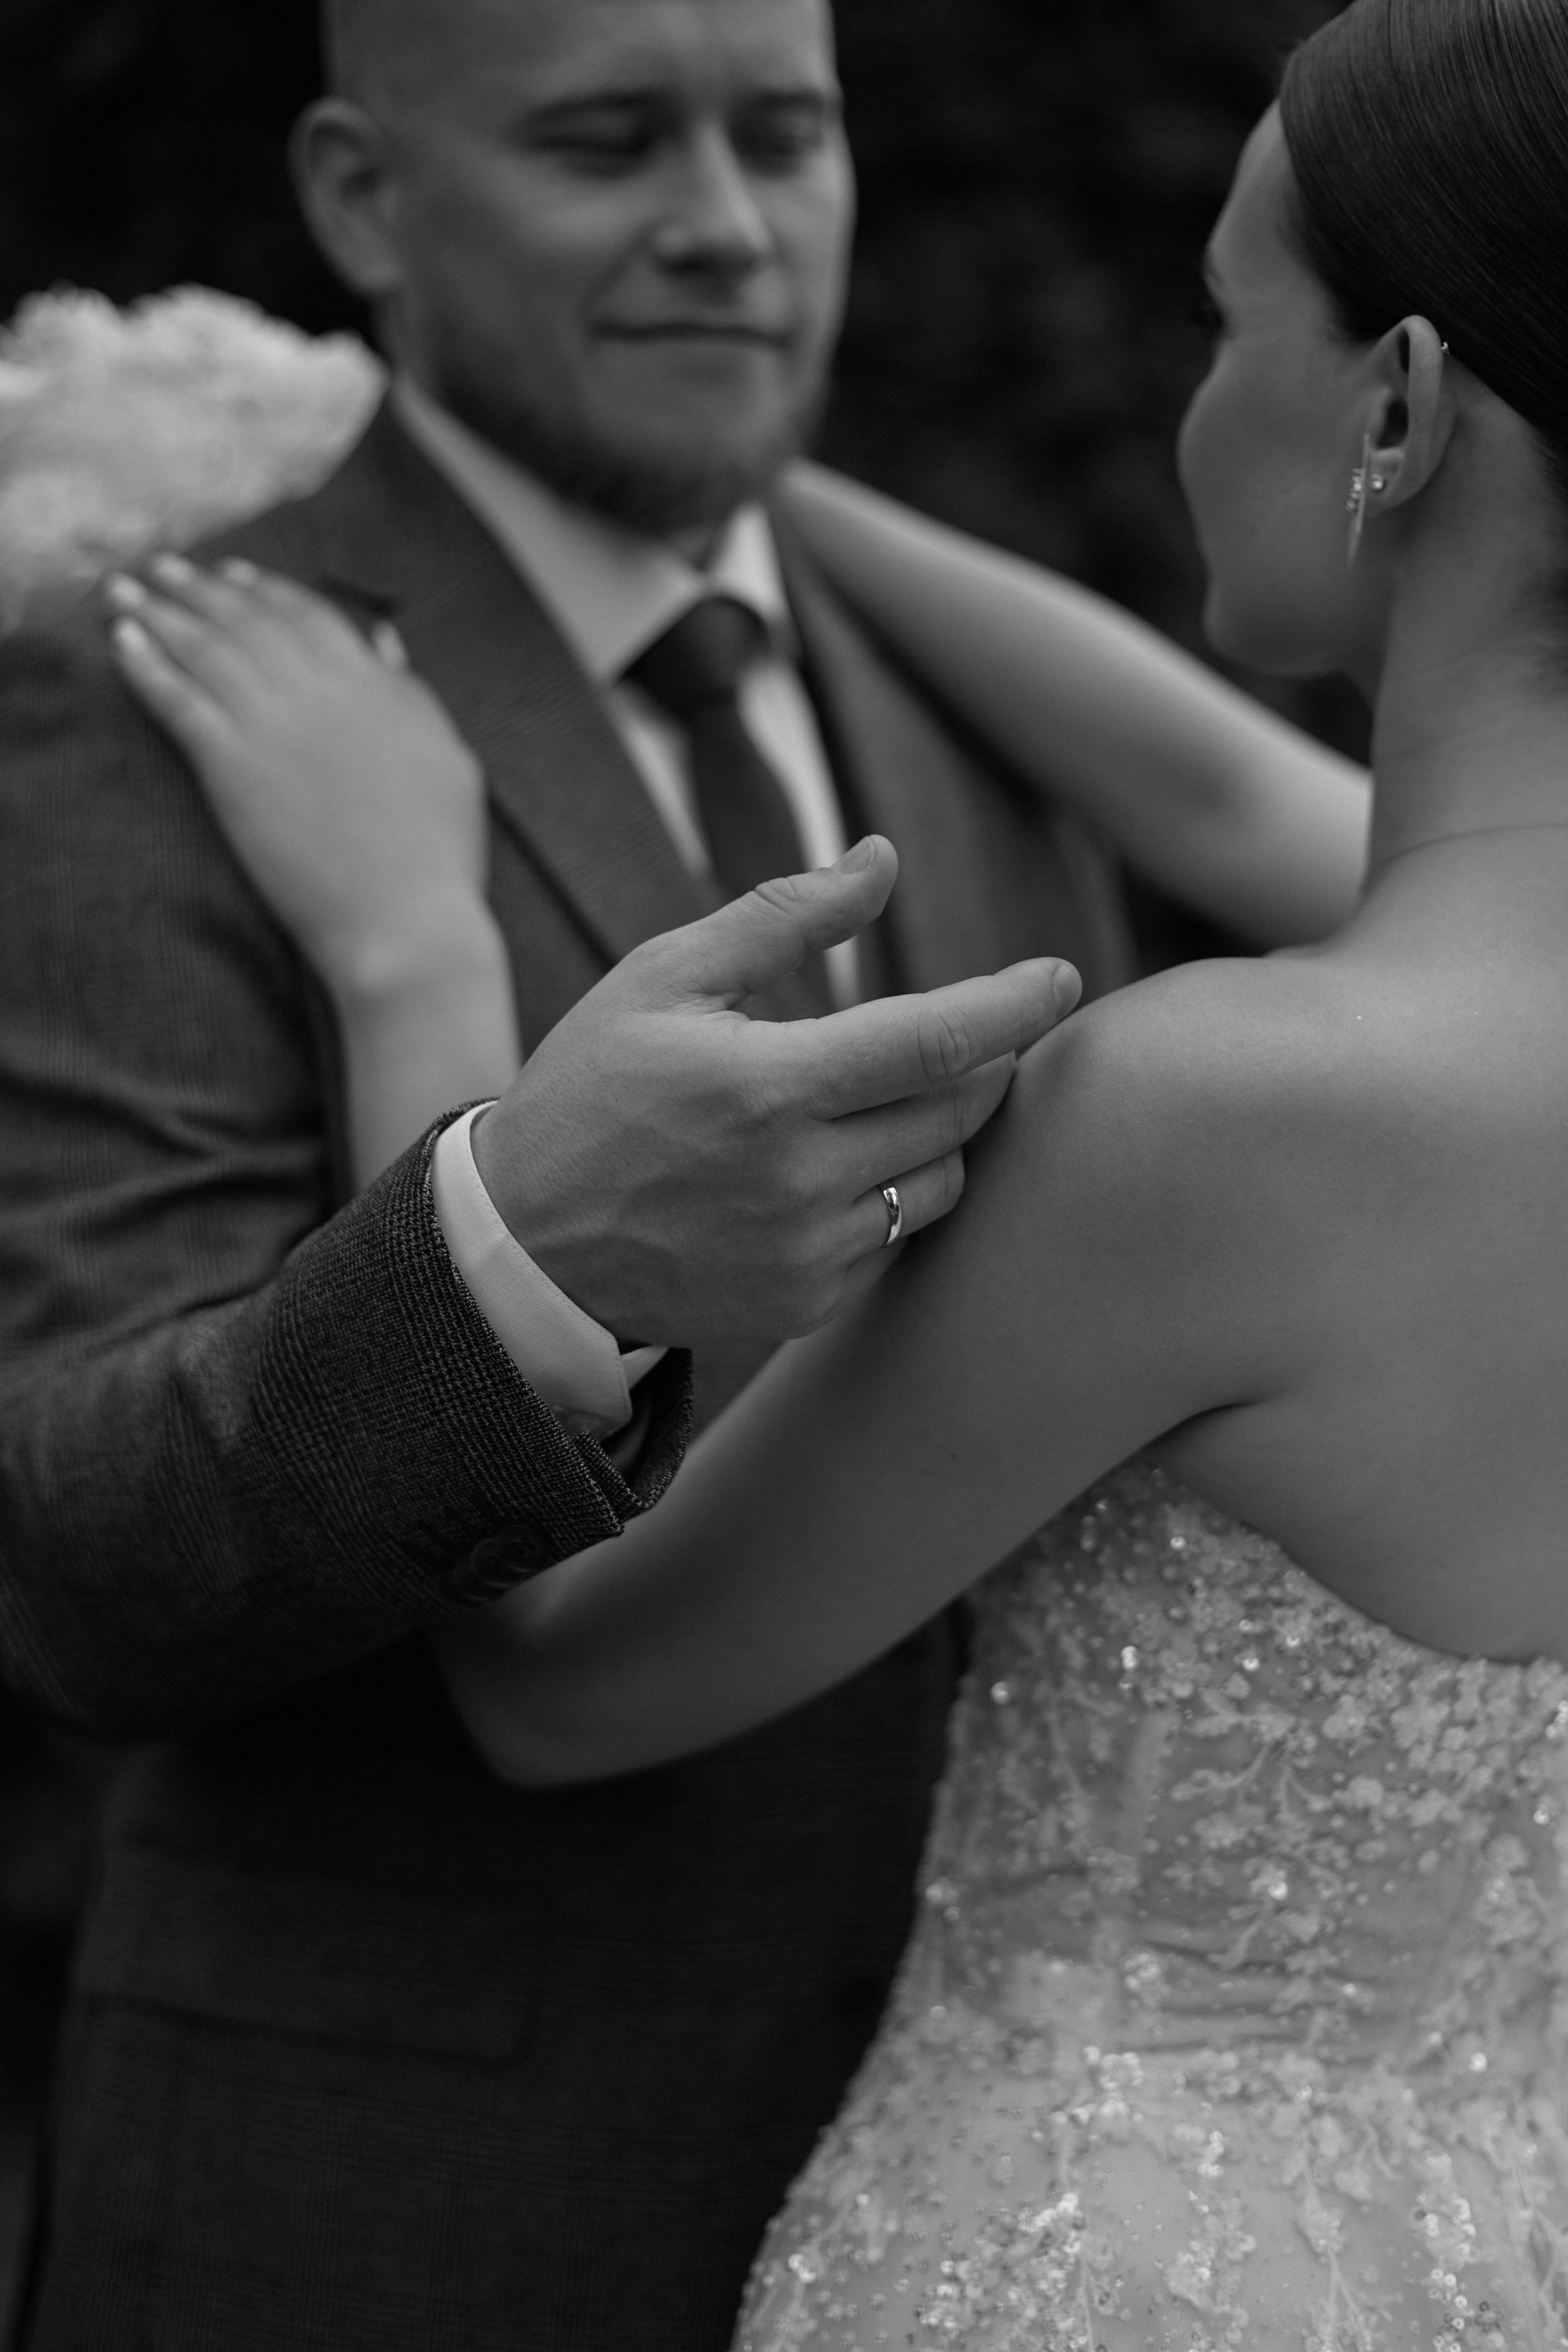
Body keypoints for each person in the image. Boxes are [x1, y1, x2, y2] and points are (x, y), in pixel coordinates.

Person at [105, 0, 1568, 2341]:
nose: (1195, 402)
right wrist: (719, 485)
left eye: (1224, 326)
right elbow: (1215, 789)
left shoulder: (1205, 1115)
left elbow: (556, 1678)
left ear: (1391, 409)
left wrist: (410, 950)